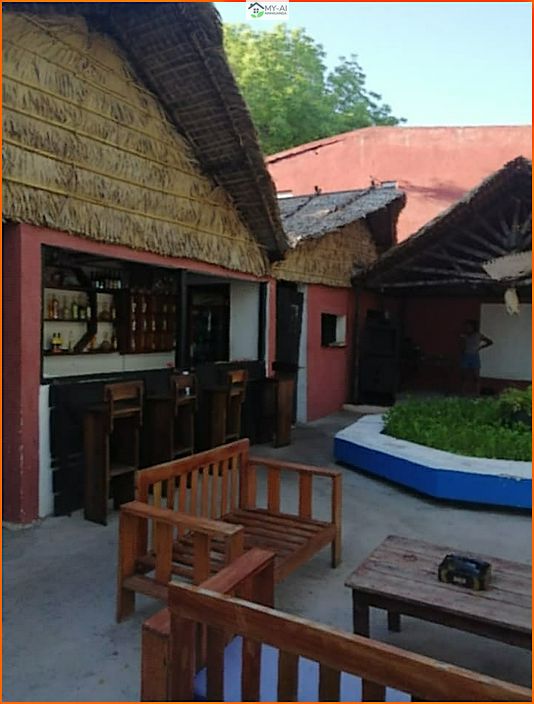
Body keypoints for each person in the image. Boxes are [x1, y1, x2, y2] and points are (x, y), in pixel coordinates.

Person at [460, 319, 493, 395]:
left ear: (473, 327)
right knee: (464, 375)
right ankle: (463, 392)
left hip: (474, 356)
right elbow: (462, 345)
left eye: (469, 326)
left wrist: (481, 347)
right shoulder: (464, 335)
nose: (467, 328)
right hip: (466, 355)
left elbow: (490, 342)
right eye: (467, 327)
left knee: (476, 376)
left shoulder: (478, 335)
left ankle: (477, 392)